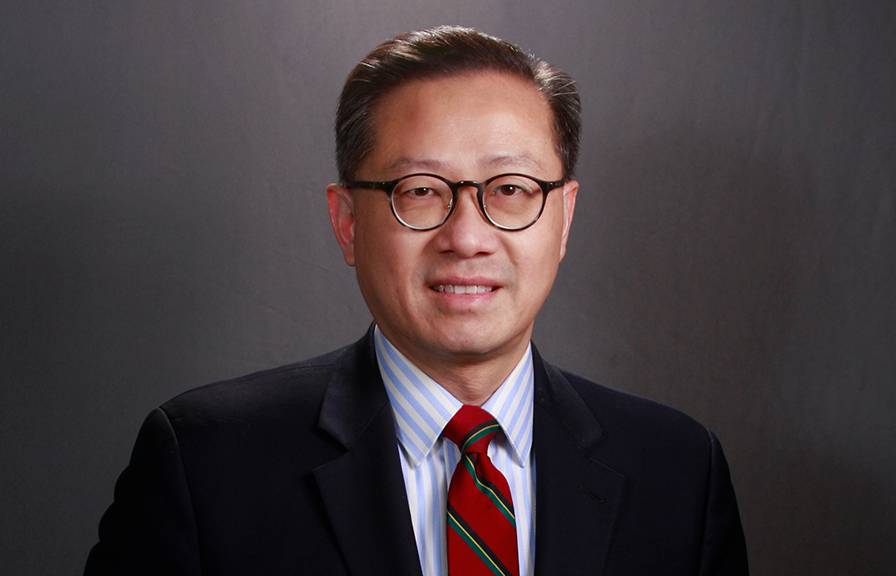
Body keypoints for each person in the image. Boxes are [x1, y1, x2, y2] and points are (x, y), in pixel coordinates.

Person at [84, 25, 748, 576]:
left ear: (565, 218)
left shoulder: (679, 470)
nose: (467, 237)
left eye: (511, 189)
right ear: (347, 221)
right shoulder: (206, 463)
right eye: (422, 191)